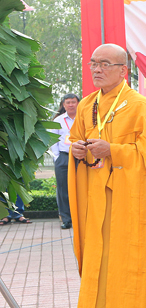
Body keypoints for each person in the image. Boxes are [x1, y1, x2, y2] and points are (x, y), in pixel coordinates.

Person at [68, 43, 146, 308]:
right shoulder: (87, 105)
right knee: (101, 258)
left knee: (130, 257)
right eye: (94, 63)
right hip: (97, 196)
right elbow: (77, 139)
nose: (97, 69)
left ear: (123, 70)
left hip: (130, 196)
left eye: (105, 64)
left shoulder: (137, 105)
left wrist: (113, 151)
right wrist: (77, 149)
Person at [51, 93, 80, 229]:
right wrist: (57, 157)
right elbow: (52, 140)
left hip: (81, 156)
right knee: (63, 189)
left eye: (73, 102)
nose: (71, 105)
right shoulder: (58, 120)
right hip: (63, 156)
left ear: (78, 103)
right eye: (68, 102)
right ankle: (66, 219)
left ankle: (80, 217)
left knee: (81, 187)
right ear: (63, 105)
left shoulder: (83, 118)